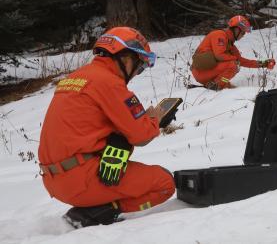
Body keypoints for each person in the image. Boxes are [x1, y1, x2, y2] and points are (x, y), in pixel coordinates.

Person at [38, 27, 175, 228]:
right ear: (125, 58)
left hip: (54, 179)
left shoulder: (75, 78)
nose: (137, 73)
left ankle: (93, 206)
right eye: (140, 66)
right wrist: (154, 119)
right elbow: (141, 136)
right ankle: (96, 213)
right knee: (165, 183)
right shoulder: (110, 83)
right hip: (81, 179)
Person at [190, 15, 275, 90]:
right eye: (243, 32)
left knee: (235, 64)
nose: (243, 35)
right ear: (236, 29)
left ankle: (220, 83)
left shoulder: (230, 45)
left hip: (208, 72)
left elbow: (242, 61)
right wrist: (235, 59)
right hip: (200, 72)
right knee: (234, 64)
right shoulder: (219, 35)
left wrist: (264, 63)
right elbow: (219, 55)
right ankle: (217, 85)